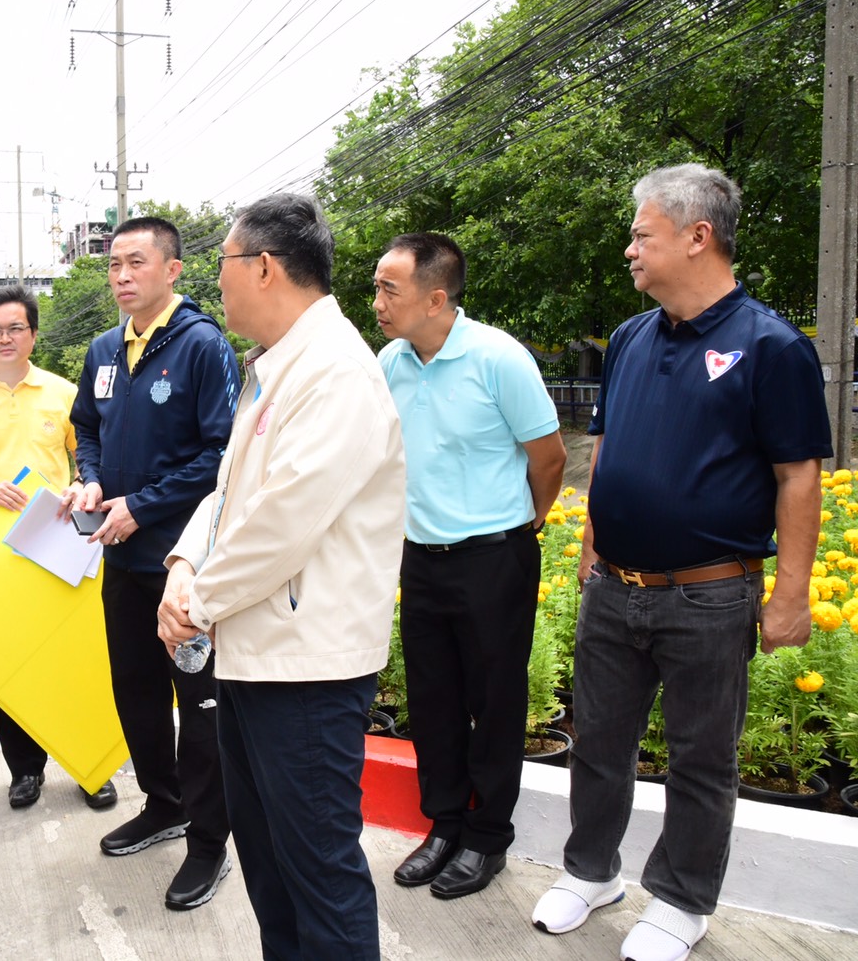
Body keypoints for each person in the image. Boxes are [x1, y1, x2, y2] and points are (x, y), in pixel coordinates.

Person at [530, 164, 830, 961]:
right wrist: (593, 553)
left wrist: (792, 595)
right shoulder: (629, 337)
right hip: (614, 588)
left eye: (642, 233)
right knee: (596, 742)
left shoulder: (771, 346)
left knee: (702, 756)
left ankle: (683, 901)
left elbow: (798, 475)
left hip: (710, 595)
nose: (630, 248)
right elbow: (612, 451)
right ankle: (591, 872)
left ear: (698, 237)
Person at [155, 192, 405, 958]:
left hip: (306, 670)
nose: (217, 283)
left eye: (224, 263)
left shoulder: (334, 373)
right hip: (256, 656)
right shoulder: (277, 367)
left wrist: (198, 600)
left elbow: (282, 522)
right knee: (268, 863)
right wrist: (184, 561)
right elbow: (231, 493)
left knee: (317, 871)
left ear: (263, 267)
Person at [373, 232, 567, 899]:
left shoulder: (498, 359)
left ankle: (488, 839)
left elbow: (549, 459)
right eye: (376, 287)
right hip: (421, 560)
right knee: (433, 701)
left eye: (388, 289)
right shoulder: (392, 362)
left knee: (496, 700)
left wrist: (523, 525)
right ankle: (445, 824)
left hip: (494, 559)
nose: (377, 302)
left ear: (435, 297)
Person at [61, 215, 238, 911]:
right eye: (113, 266)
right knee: (135, 689)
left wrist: (145, 503)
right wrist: (93, 478)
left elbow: (221, 456)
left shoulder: (202, 347)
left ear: (172, 270)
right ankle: (162, 805)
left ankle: (209, 840)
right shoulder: (105, 350)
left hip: (181, 564)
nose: (122, 276)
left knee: (198, 704)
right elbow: (87, 426)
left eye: (137, 262)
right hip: (119, 556)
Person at [0, 285, 118, 812]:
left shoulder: (63, 393)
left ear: (33, 333)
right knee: (10, 664)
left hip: (59, 540)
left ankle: (90, 769)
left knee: (77, 657)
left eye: (15, 328)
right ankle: (25, 770)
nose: (5, 338)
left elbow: (91, 463)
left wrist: (82, 488)